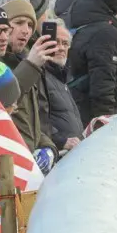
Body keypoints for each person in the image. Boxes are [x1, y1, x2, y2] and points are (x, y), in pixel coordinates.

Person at [0, 0, 58, 174]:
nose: (26, 30)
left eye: (30, 25)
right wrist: (31, 64)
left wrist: (49, 149)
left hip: (29, 168)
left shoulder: (26, 62)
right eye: (19, 22)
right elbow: (2, 103)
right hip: (9, 168)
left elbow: (33, 123)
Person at [67, 0, 117, 125]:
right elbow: (103, 80)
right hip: (96, 118)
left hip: (79, 113)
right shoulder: (104, 32)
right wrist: (105, 121)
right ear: (116, 5)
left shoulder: (83, 24)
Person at [39, 21, 83, 152]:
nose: (61, 48)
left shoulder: (61, 76)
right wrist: (60, 141)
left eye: (65, 44)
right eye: (56, 42)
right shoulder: (40, 75)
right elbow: (38, 118)